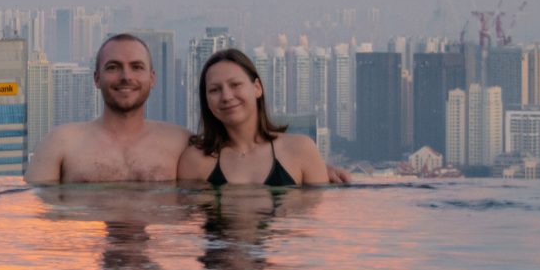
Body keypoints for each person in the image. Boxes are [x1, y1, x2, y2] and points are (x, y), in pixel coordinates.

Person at [25, 33, 188, 183]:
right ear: (96, 78)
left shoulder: (182, 144)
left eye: (137, 67)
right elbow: (32, 206)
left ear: (152, 78)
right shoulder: (61, 143)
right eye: (113, 67)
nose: (126, 77)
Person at [176, 48, 331, 186]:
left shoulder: (301, 150)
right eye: (215, 90)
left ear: (257, 88)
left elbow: (317, 214)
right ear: (206, 101)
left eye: (235, 85)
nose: (226, 96)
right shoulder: (195, 160)